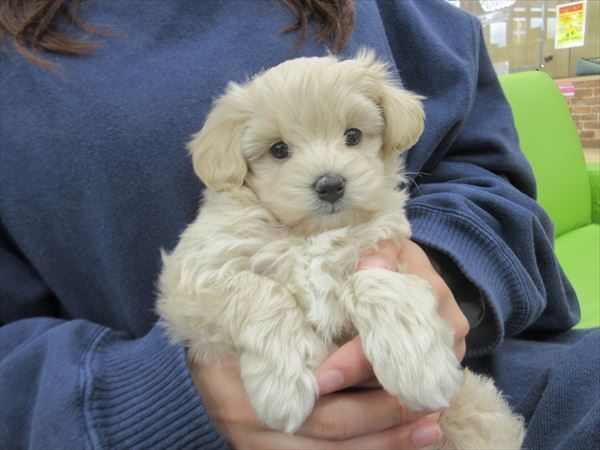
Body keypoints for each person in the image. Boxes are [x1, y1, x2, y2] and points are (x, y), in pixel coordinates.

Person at [0, 0, 597, 449]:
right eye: (280, 151)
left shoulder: (411, 18)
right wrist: (141, 399)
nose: (327, 173)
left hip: (477, 377)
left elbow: (490, 176)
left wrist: (439, 270)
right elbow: (195, 282)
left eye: (353, 136)